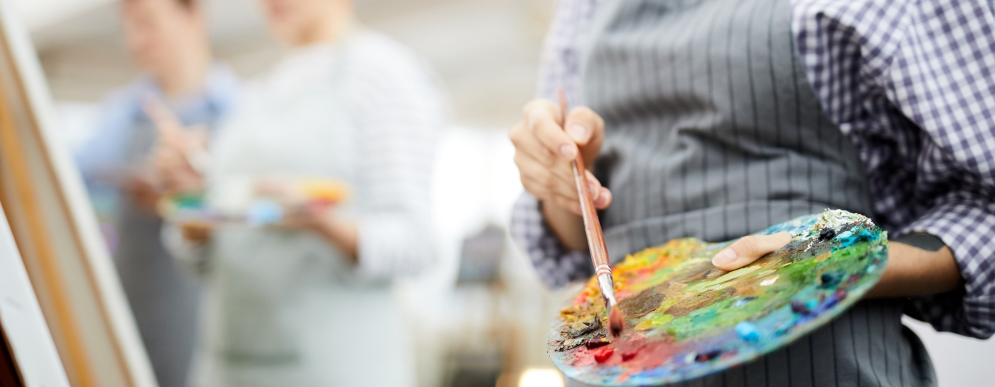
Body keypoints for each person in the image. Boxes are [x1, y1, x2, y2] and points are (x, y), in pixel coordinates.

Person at [510, 0, 994, 386]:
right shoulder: (584, 8)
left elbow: (985, 210)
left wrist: (832, 259)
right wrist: (563, 176)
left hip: (818, 366)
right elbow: (573, 241)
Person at [154, 0, 445, 386]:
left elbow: (417, 243)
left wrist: (319, 221)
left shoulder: (384, 74)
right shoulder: (258, 89)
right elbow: (211, 259)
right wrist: (195, 204)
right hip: (228, 369)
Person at [74, 0, 238, 386]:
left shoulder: (242, 113)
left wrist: (190, 193)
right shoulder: (120, 115)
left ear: (192, 15)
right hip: (127, 318)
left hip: (208, 328)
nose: (134, 41)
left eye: (146, 24)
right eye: (127, 26)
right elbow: (58, 182)